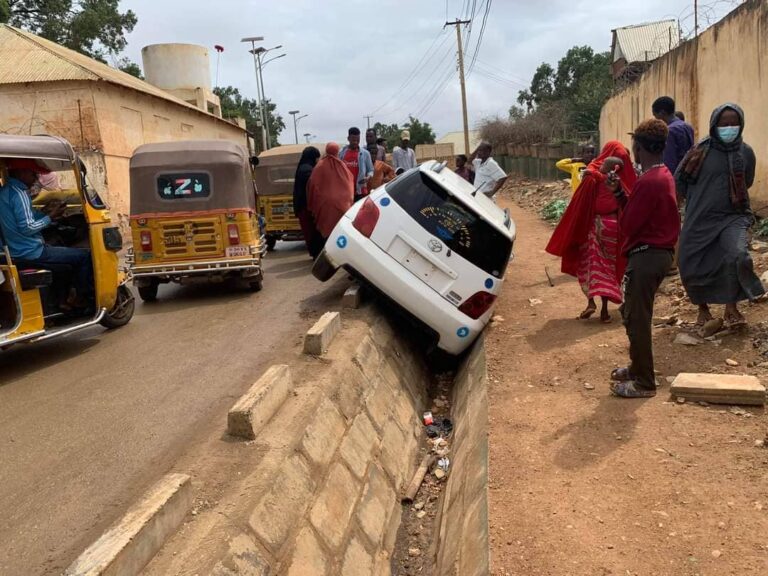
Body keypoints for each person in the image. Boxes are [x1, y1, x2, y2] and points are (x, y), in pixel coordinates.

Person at [605, 119, 680, 398]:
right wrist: (619, 192)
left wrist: (619, 197)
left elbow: (628, 225)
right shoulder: (660, 175)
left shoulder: (650, 181)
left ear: (638, 148)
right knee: (631, 313)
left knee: (638, 318)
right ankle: (637, 367)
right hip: (653, 254)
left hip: (647, 255)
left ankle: (645, 382)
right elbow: (636, 214)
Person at [676, 103, 763, 329]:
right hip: (701, 215)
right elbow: (680, 181)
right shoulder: (699, 151)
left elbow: (747, 181)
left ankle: (731, 306)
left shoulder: (745, 152)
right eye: (724, 124)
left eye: (734, 123)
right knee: (689, 259)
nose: (729, 127)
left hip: (733, 215)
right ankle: (702, 308)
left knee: (737, 255)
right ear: (715, 125)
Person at [545, 141, 637, 323]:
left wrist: (594, 172)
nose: (600, 162)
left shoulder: (596, 175)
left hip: (594, 226)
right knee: (608, 268)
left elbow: (585, 200)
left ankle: (590, 302)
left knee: (591, 264)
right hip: (613, 228)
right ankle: (604, 311)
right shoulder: (623, 179)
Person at [0, 159, 93, 305]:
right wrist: (50, 217)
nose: (36, 178)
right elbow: (28, 227)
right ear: (22, 173)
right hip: (29, 252)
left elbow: (25, 216)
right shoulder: (19, 193)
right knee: (84, 256)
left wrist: (44, 212)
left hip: (12, 252)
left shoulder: (4, 192)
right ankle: (83, 300)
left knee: (65, 267)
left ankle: (60, 302)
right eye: (33, 174)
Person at [308, 142, 354, 249]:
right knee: (340, 229)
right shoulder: (343, 166)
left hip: (324, 205)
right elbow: (350, 183)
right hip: (342, 205)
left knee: (327, 231)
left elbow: (313, 185)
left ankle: (328, 250)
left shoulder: (319, 166)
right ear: (337, 151)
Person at [652, 96, 695, 174]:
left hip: (676, 177)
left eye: (655, 116)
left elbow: (669, 162)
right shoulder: (688, 127)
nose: (656, 120)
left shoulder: (669, 131)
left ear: (662, 113)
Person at [292, 146, 322, 258]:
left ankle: (314, 253)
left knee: (309, 232)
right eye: (317, 158)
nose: (317, 161)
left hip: (302, 206)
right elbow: (312, 187)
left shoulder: (303, 167)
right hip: (305, 206)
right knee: (311, 232)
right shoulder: (307, 170)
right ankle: (315, 254)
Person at [339, 127, 374, 202]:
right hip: (345, 191)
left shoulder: (365, 154)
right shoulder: (341, 153)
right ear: (348, 138)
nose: (355, 142)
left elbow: (371, 170)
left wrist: (368, 177)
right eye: (353, 140)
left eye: (357, 140)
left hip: (360, 191)